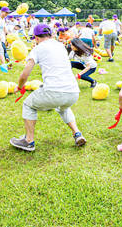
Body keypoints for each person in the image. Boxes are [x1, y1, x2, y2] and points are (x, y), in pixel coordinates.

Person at [10, 24, 86, 152]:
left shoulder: (38, 48)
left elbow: (25, 73)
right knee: (64, 108)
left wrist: (19, 86)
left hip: (54, 91)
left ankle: (28, 141)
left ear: (36, 38)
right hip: (73, 91)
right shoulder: (60, 46)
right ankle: (77, 133)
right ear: (51, 35)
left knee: (28, 105)